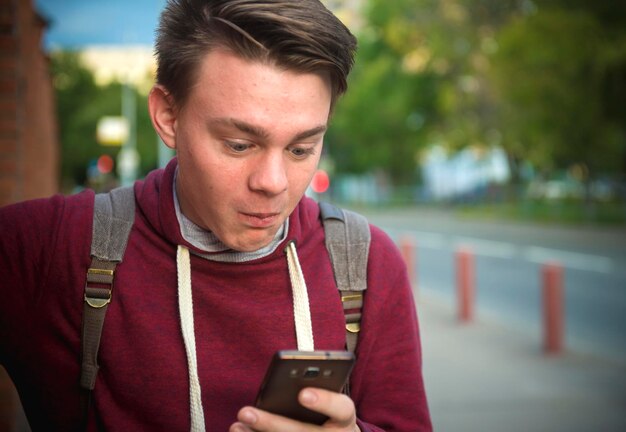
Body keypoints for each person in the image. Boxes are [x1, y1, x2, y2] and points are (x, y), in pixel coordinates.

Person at [0, 0, 432, 430]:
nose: (274, 182)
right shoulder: (56, 247)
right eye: (239, 144)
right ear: (169, 117)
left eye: (301, 149)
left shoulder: (364, 262)